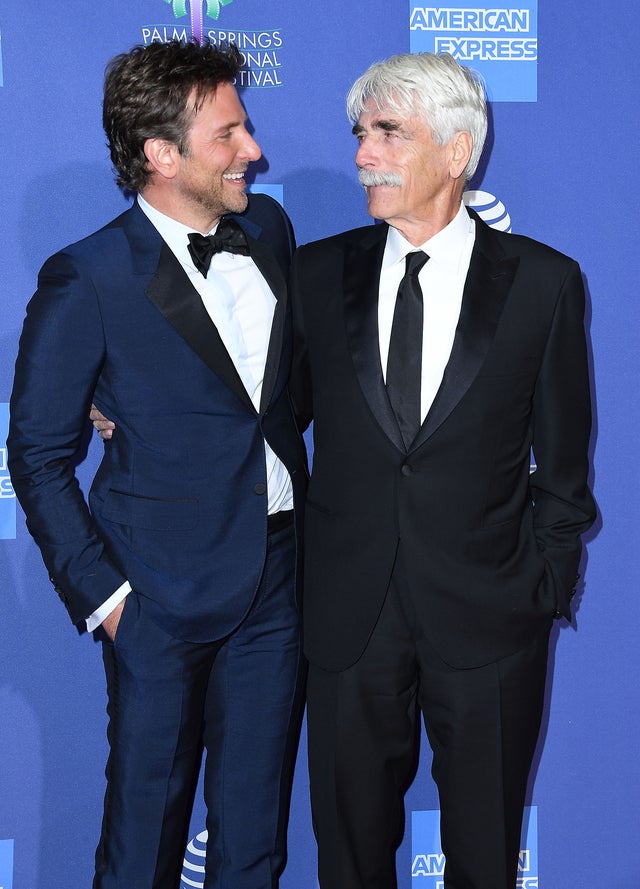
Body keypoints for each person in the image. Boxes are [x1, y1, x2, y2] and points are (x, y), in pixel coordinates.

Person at [289, 52, 596, 889]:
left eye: (390, 132)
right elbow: (268, 423)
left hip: (492, 621)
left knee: (486, 860)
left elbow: (565, 470)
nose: (363, 153)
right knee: (348, 861)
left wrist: (539, 591)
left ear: (457, 153)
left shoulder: (543, 284)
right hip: (349, 618)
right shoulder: (316, 274)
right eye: (361, 133)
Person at [8, 39, 308, 889]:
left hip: (277, 579)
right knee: (142, 843)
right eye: (230, 134)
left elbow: (280, 395)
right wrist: (108, 601)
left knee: (254, 841)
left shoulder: (271, 232)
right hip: (157, 599)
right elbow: (34, 451)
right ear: (161, 154)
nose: (253, 150)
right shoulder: (89, 276)